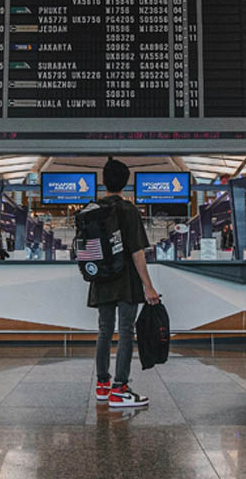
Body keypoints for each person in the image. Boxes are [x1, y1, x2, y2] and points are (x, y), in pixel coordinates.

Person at [89, 157, 160, 408]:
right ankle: (119, 390)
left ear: (103, 182)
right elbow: (137, 252)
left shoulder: (92, 209)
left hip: (101, 278)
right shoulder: (128, 210)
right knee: (126, 331)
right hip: (126, 280)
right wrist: (148, 286)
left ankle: (102, 385)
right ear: (125, 183)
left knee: (104, 330)